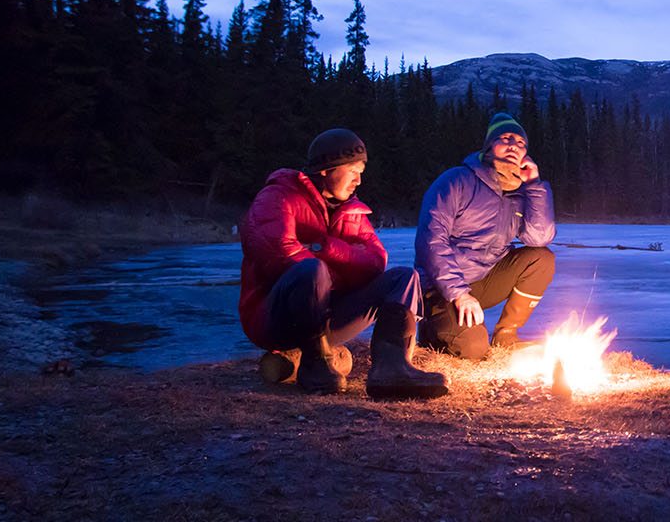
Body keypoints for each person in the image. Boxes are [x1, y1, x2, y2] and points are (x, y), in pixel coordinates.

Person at [238, 129, 448, 398]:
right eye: (352, 171)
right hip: (275, 320)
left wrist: (327, 249)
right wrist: (326, 274)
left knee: (403, 278)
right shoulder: (278, 197)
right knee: (310, 271)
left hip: (328, 318)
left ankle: (392, 368)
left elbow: (375, 261)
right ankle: (315, 364)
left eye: (361, 171)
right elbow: (278, 253)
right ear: (326, 169)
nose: (358, 180)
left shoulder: (352, 211)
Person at [415, 113, 556, 358]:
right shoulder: (457, 180)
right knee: (473, 349)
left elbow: (539, 238)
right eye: (505, 138)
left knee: (541, 259)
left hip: (483, 281)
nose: (514, 145)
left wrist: (534, 185)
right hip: (439, 288)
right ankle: (432, 329)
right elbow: (431, 241)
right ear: (489, 145)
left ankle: (506, 335)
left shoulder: (519, 193)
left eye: (521, 143)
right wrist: (459, 293)